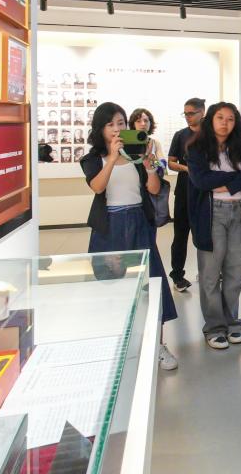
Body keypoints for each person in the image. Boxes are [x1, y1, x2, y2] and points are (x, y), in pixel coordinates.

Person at [80, 102, 179, 371]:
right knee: (111, 284)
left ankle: (157, 345)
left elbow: (154, 189)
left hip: (138, 222)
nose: (117, 128)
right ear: (100, 129)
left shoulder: (138, 154)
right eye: (110, 124)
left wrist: (150, 166)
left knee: (152, 282)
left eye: (121, 123)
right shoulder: (92, 159)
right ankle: (116, 343)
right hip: (109, 226)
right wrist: (112, 158)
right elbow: (97, 187)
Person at [186, 103, 241, 349]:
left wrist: (223, 183)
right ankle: (215, 328)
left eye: (230, 119)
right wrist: (236, 178)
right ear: (210, 120)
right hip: (211, 213)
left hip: (240, 211)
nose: (224, 123)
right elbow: (200, 180)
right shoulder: (196, 148)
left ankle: (232, 324)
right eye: (220, 117)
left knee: (234, 273)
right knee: (210, 274)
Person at [167, 98, 206, 292]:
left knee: (205, 235)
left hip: (205, 192)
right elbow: (171, 162)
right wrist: (186, 168)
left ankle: (207, 272)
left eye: (191, 113)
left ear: (202, 112)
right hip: (184, 191)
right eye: (186, 113)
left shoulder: (211, 135)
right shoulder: (180, 135)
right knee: (180, 235)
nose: (188, 117)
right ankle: (177, 275)